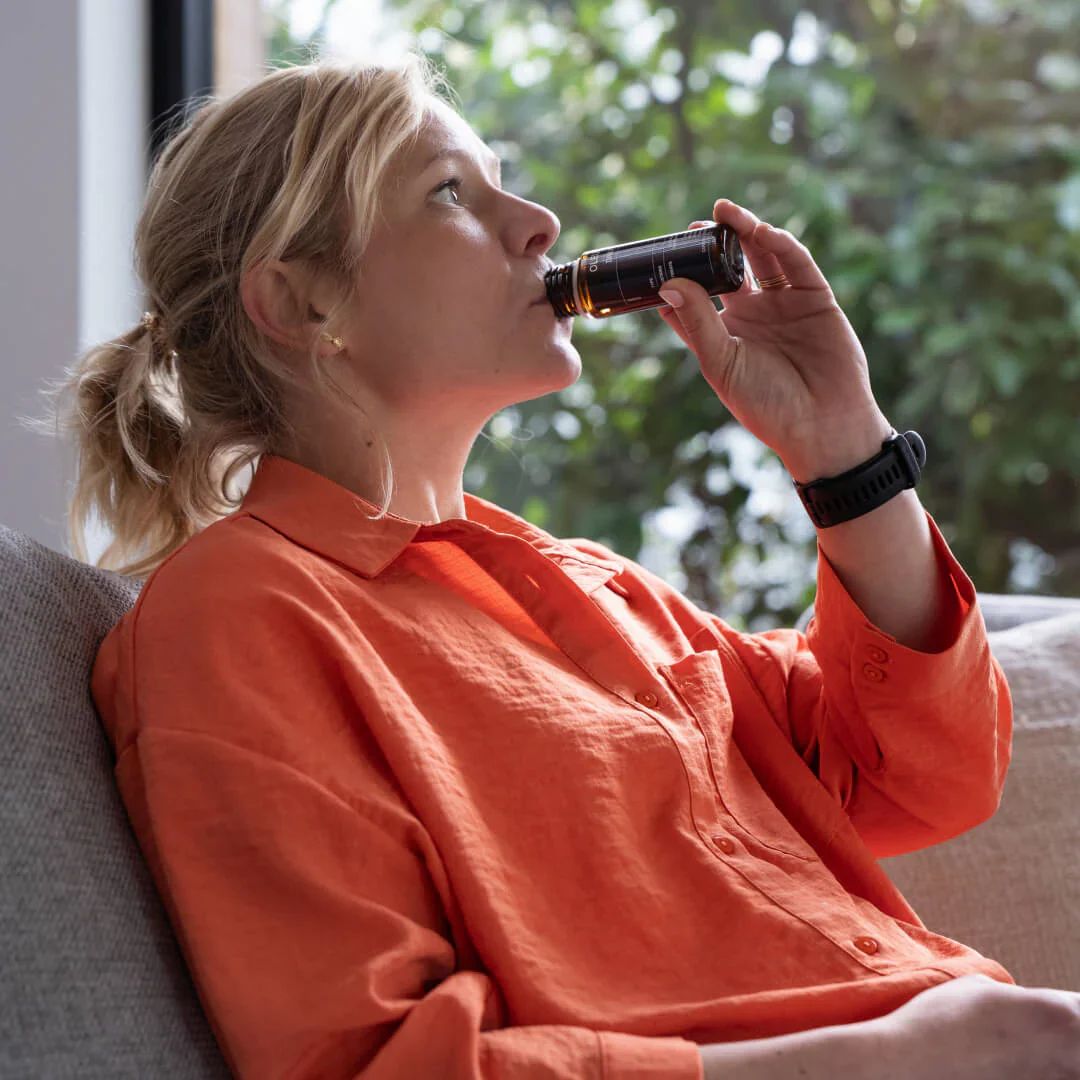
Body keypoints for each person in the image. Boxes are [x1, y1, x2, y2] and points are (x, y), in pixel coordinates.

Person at [29, 52, 1079, 1079]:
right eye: (451, 192)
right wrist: (919, 1054)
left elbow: (925, 775)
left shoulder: (592, 587)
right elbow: (372, 1061)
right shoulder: (242, 613)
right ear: (306, 306)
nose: (541, 224)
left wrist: (844, 451)